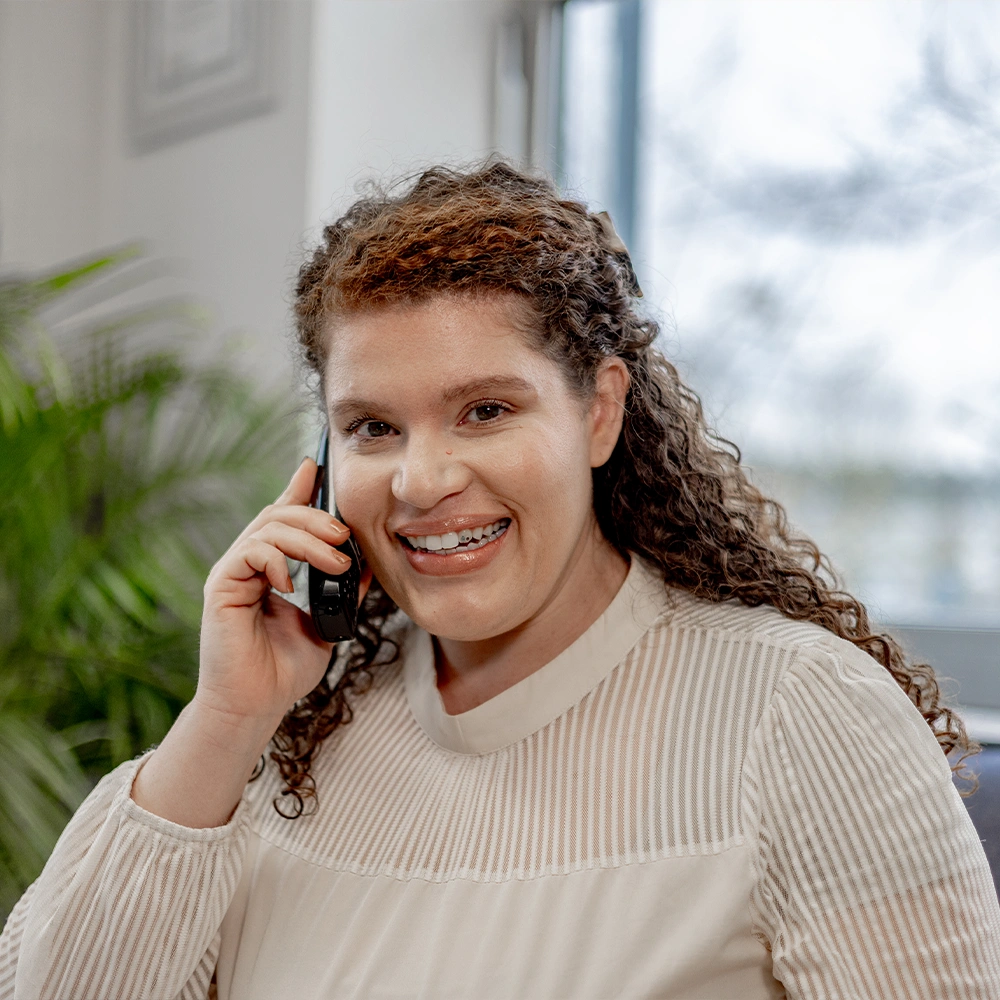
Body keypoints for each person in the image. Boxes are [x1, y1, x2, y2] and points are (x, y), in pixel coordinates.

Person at [2, 161, 999, 999]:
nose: (421, 480)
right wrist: (225, 720)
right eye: (373, 427)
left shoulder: (800, 711)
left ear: (599, 413)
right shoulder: (297, 724)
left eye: (485, 411)